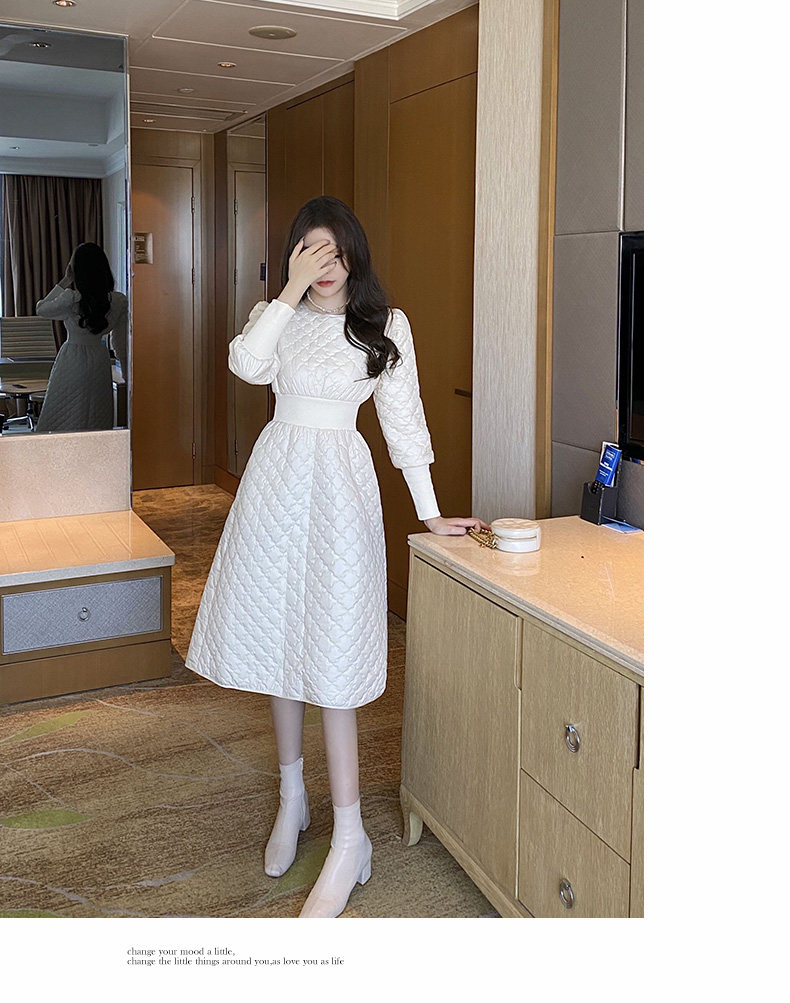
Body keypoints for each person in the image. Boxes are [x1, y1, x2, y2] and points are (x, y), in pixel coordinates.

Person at [185, 195, 489, 918]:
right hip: (275, 484)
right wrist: (287, 291)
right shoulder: (277, 315)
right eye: (310, 251)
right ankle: (292, 796)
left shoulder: (386, 325)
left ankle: (351, 836)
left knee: (332, 651)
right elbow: (245, 366)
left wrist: (430, 511)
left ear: (355, 252)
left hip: (341, 491)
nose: (326, 264)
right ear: (295, 255)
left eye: (335, 250)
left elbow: (404, 422)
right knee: (278, 640)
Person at [34, 242, 128, 432]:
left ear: (77, 271)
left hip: (73, 358)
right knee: (95, 413)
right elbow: (120, 343)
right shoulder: (118, 301)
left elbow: (41, 308)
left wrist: (65, 280)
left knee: (63, 414)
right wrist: (127, 374)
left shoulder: (71, 299)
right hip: (99, 359)